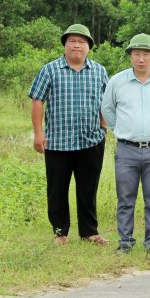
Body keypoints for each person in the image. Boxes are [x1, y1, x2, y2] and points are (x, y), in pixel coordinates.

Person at [29, 24, 110, 245]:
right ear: (65, 44)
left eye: (82, 42)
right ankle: (60, 233)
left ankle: (89, 232)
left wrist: (104, 125)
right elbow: (37, 100)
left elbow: (107, 100)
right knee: (57, 190)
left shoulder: (99, 71)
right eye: (72, 41)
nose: (77, 45)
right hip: (58, 142)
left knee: (88, 189)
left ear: (89, 47)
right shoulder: (50, 70)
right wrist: (38, 134)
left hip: (91, 140)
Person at [101, 33, 150, 257]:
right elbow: (108, 110)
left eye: (146, 54)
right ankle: (125, 241)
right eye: (136, 54)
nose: (141, 59)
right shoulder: (117, 81)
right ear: (131, 56)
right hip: (126, 149)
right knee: (125, 198)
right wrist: (123, 130)